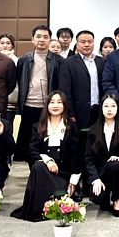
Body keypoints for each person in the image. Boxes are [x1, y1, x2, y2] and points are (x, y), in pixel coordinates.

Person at [11, 91, 81, 221]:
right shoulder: (38, 126)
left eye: (59, 102)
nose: (55, 105)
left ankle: (52, 202)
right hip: (44, 172)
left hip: (63, 174)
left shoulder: (71, 127)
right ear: (47, 105)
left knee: (61, 201)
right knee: (38, 166)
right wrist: (48, 160)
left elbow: (76, 155)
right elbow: (32, 151)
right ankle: (38, 210)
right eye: (52, 102)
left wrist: (73, 181)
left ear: (64, 105)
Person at [59, 30, 105, 198]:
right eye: (83, 42)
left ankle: (91, 184)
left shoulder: (101, 62)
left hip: (97, 112)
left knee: (95, 148)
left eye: (89, 41)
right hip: (78, 114)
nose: (86, 44)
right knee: (78, 149)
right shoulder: (69, 63)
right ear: (76, 44)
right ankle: (76, 185)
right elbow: (65, 90)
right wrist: (70, 113)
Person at [14, 25, 63, 165]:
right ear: (32, 39)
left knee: (45, 140)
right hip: (28, 106)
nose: (42, 40)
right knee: (28, 142)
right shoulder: (23, 60)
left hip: (48, 107)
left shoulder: (58, 61)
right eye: (38, 36)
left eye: (45, 37)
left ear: (50, 40)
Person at [85, 94, 119, 216]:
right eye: (106, 106)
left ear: (118, 108)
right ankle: (105, 195)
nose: (109, 109)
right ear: (101, 108)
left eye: (113, 106)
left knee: (115, 164)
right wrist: (95, 179)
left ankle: (117, 198)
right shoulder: (93, 131)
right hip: (101, 174)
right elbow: (89, 159)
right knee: (98, 198)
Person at [0, 33, 19, 125]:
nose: (5, 45)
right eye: (2, 43)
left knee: (8, 127)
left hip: (11, 102)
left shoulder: (17, 61)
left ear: (12, 45)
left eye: (8, 43)